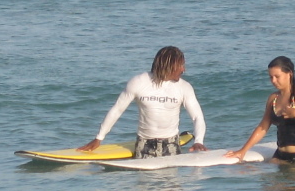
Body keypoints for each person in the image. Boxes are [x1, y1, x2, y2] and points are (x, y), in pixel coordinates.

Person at [79, 46, 207, 158]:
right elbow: (117, 110)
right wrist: (99, 138)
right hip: (144, 144)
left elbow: (197, 117)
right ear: (169, 65)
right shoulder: (139, 82)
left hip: (171, 144)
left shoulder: (184, 87)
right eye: (180, 65)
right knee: (145, 184)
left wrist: (199, 141)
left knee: (171, 184)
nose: (183, 69)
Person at [225, 56, 295, 164]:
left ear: (289, 74)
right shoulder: (273, 98)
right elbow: (262, 127)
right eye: (271, 77)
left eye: (277, 76)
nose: (273, 81)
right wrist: (242, 151)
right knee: (260, 177)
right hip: (281, 156)